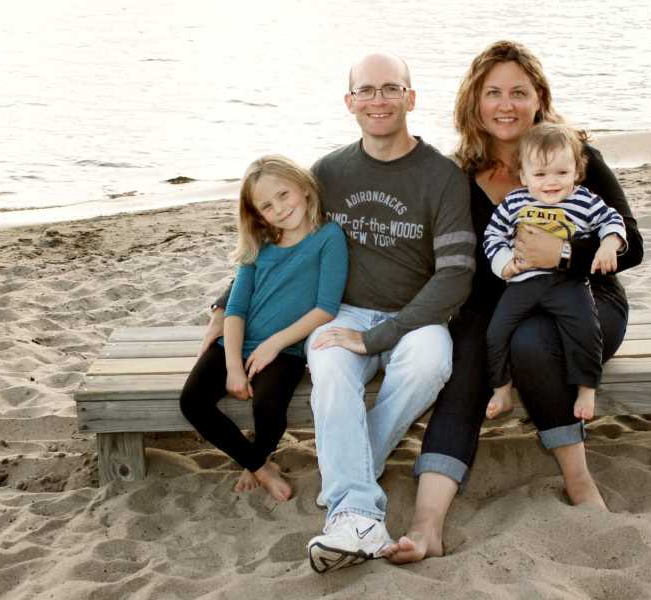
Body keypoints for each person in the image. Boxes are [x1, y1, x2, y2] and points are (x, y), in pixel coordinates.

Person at [201, 53, 474, 573]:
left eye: (390, 88)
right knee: (327, 365)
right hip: (341, 313)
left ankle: (349, 478)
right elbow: (281, 239)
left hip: (415, 317)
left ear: (410, 98)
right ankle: (356, 516)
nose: (378, 100)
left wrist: (382, 336)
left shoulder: (442, 177)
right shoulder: (329, 172)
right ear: (349, 102)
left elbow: (455, 276)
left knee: (430, 361)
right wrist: (224, 300)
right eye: (366, 90)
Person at [383, 40, 644, 564]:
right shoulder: (458, 176)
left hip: (587, 302)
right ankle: (427, 525)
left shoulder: (578, 159)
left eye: (519, 93)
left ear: (539, 98)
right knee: (464, 365)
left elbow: (631, 243)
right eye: (493, 92)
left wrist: (565, 252)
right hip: (499, 303)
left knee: (529, 342)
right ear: (474, 102)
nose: (506, 104)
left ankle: (578, 479)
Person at [180, 154, 348, 503]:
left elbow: (326, 308)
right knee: (192, 401)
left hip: (285, 350)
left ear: (303, 187)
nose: (280, 209)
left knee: (269, 408)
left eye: (283, 195)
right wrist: (232, 368)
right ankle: (259, 465)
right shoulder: (259, 246)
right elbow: (236, 309)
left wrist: (276, 343)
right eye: (268, 206)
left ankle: (255, 457)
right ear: (258, 215)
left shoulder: (329, 237)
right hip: (237, 342)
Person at [483, 122, 627, 421]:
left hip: (567, 283)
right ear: (523, 175)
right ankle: (501, 387)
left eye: (561, 173)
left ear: (577, 171)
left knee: (586, 328)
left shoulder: (584, 201)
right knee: (496, 332)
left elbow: (612, 220)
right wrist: (505, 263)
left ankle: (587, 387)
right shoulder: (515, 203)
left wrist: (608, 246)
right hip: (522, 284)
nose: (551, 182)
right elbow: (493, 236)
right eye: (539, 174)